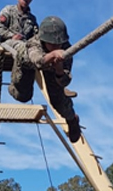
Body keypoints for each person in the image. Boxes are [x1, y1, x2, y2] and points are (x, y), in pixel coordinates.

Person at [11, 15, 82, 143]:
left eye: (59, 44)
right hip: (28, 63)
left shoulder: (66, 50)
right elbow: (37, 61)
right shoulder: (34, 43)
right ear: (44, 41)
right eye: (52, 44)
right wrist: (53, 55)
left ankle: (72, 119)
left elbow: (65, 80)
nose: (57, 46)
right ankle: (15, 88)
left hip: (51, 68)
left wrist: (59, 69)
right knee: (23, 95)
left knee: (58, 101)